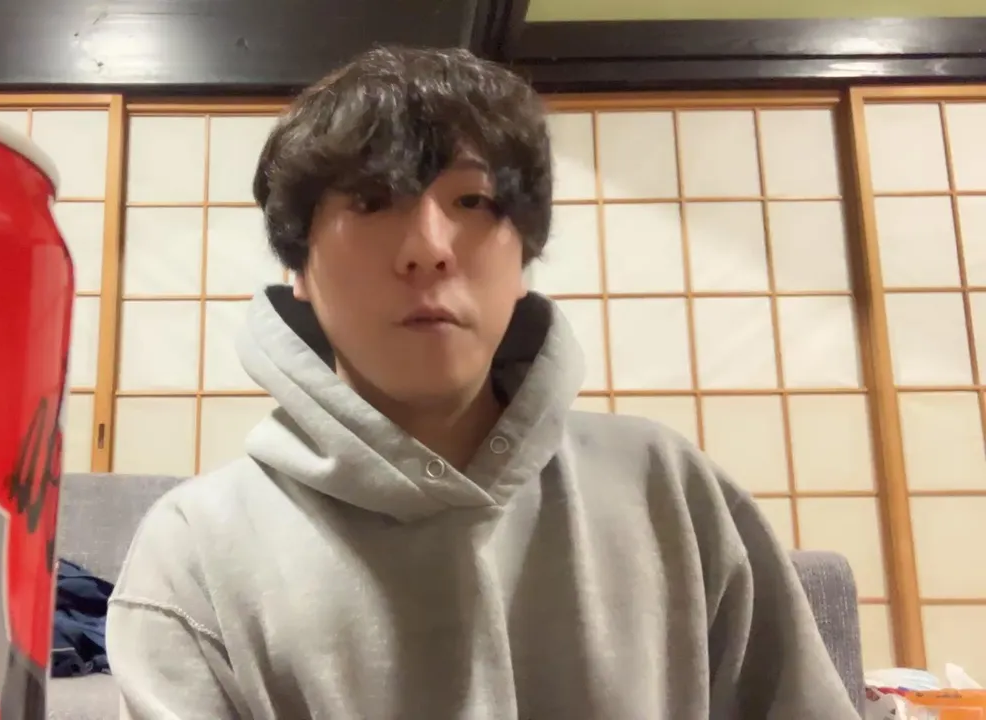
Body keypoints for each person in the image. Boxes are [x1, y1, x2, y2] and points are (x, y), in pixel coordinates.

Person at [107, 46, 860, 719]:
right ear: (296, 264)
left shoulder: (671, 490)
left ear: (524, 254)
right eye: (371, 201)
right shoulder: (195, 551)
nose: (428, 247)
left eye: (472, 201)